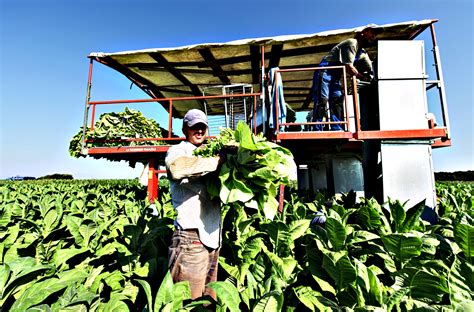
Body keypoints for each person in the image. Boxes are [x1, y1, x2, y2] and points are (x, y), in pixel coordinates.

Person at [165, 108, 224, 300]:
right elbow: (176, 168)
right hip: (191, 238)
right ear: (185, 129)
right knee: (188, 301)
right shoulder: (178, 151)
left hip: (213, 238)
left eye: (202, 127)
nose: (199, 131)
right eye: (194, 127)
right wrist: (217, 162)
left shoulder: (209, 151)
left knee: (207, 301)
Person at [311, 26, 382, 131]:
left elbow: (370, 69)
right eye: (372, 32)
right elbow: (349, 67)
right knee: (322, 99)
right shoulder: (352, 43)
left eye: (375, 34)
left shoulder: (362, 53)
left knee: (337, 100)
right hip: (325, 71)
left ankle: (337, 127)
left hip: (335, 77)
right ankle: (317, 129)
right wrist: (362, 77)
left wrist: (375, 76)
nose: (373, 36)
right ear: (363, 32)